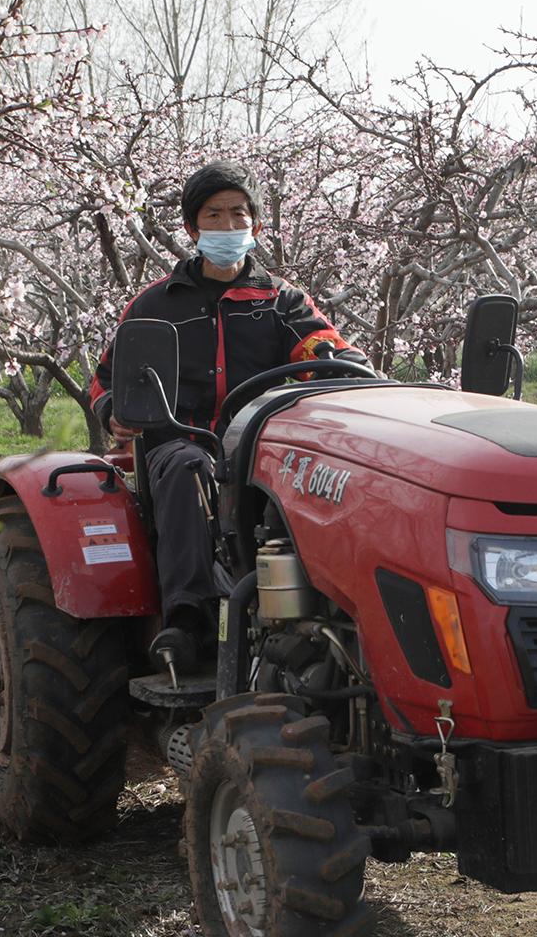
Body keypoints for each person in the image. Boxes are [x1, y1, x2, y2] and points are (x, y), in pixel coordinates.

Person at [87, 160, 369, 669]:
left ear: (256, 226)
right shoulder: (154, 304)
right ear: (193, 228)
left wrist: (341, 365)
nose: (227, 225)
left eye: (238, 214)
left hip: (258, 441)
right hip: (179, 442)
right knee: (188, 466)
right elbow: (106, 380)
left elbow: (323, 347)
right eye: (213, 215)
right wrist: (114, 412)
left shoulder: (282, 302)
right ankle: (188, 620)